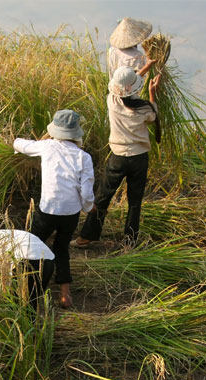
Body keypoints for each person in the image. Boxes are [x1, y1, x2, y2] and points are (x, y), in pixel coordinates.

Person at [13, 109, 95, 308]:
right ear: (76, 133)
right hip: (71, 213)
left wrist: (14, 141)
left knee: (32, 243)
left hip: (48, 209)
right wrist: (88, 207)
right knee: (61, 248)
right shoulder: (84, 157)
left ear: (54, 130)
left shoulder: (47, 146)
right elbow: (86, 192)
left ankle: (25, 282)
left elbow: (22, 145)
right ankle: (65, 294)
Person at [75, 67, 161, 248]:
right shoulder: (144, 108)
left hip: (118, 158)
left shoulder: (112, 101)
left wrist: (145, 67)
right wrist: (153, 93)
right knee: (135, 202)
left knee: (103, 197)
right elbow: (153, 117)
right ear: (135, 88)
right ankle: (130, 241)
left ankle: (87, 237)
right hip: (139, 158)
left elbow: (126, 86)